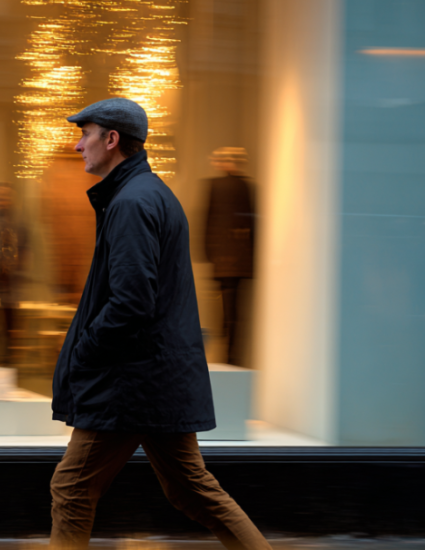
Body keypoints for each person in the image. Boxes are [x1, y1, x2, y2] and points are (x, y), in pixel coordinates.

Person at [49, 98, 271, 550]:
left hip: (131, 381)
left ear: (111, 140)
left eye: (85, 134)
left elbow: (131, 301)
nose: (77, 145)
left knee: (71, 489)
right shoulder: (148, 193)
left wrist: (85, 349)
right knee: (191, 488)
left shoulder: (132, 202)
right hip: (155, 376)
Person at [203, 147, 256, 365]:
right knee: (234, 311)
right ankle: (231, 355)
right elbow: (252, 223)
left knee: (228, 310)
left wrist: (208, 253)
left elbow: (209, 219)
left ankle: (228, 353)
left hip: (224, 261)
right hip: (238, 261)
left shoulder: (217, 186)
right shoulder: (244, 186)